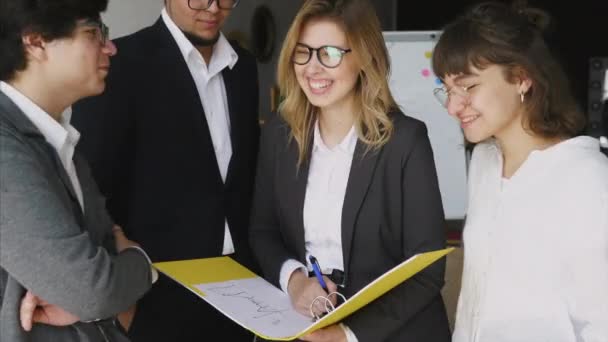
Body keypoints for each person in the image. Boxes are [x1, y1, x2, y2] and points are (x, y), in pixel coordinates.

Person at [249, 0, 451, 341]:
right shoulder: (279, 134)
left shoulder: (405, 142)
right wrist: (295, 279)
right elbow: (262, 230)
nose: (313, 68)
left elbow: (427, 271)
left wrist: (347, 334)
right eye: (304, 52)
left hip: (389, 332)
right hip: (304, 326)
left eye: (329, 53)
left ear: (364, 58)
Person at [70, 0, 260, 340]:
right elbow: (90, 189)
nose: (213, 7)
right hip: (155, 289)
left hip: (241, 289)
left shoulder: (243, 66)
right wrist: (124, 309)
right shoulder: (119, 63)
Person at [431, 2, 608, 341]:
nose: (453, 107)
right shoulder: (485, 162)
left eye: (468, 87)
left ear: (522, 78)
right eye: (447, 89)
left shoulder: (587, 180)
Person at [0, 0, 156, 341]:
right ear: (36, 41)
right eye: (93, 33)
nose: (110, 48)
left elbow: (94, 284)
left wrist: (98, 297)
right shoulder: (5, 144)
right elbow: (93, 290)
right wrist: (141, 262)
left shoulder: (59, 141)